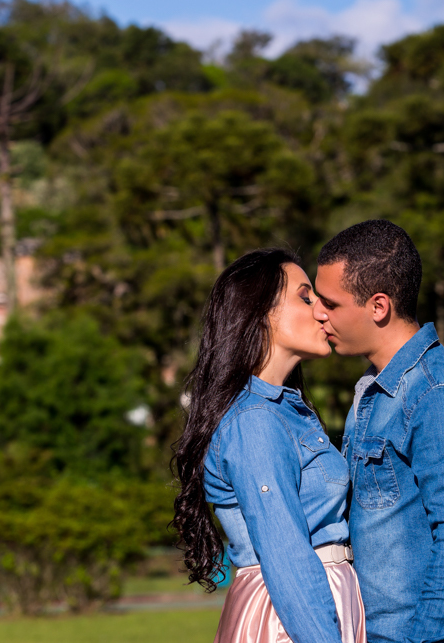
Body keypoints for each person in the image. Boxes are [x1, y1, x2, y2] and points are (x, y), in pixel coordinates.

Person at [313, 220, 444, 643]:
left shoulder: (435, 396)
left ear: (378, 306)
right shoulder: (377, 391)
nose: (319, 313)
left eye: (330, 303)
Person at [172, 248, 366, 643]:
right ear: (261, 314)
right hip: (291, 618)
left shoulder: (284, 411)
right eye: (304, 296)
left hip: (314, 603)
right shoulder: (255, 422)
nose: (321, 311)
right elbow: (287, 555)